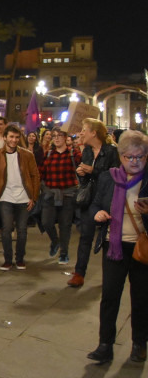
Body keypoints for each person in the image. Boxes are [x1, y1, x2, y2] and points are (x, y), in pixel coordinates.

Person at [86, 130, 148, 364]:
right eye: (129, 157)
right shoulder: (108, 177)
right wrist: (98, 213)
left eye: (140, 157)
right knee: (110, 296)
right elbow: (93, 205)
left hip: (141, 248)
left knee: (141, 298)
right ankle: (105, 345)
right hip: (115, 246)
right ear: (121, 156)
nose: (134, 162)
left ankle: (139, 343)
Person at [67, 118, 120, 288]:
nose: (81, 132)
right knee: (85, 237)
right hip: (89, 200)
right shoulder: (87, 152)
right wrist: (81, 173)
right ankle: (79, 273)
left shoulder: (112, 152)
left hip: (108, 200)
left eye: (84, 129)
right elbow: (86, 179)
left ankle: (110, 276)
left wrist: (93, 170)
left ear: (93, 133)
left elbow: (115, 175)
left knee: (109, 238)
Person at [0, 125, 41, 270]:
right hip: (5, 197)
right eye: (11, 137)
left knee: (22, 230)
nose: (14, 140)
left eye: (17, 137)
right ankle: (7, 259)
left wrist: (34, 197)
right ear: (5, 137)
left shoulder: (27, 155)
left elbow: (35, 176)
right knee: (6, 229)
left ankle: (20, 259)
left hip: (24, 198)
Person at [39, 127, 82, 265]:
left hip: (68, 194)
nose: (56, 138)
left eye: (59, 135)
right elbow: (42, 173)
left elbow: (81, 169)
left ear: (65, 138)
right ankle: (55, 241)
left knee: (65, 225)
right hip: (51, 194)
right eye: (54, 136)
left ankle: (64, 253)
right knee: (46, 222)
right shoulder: (49, 154)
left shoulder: (73, 154)